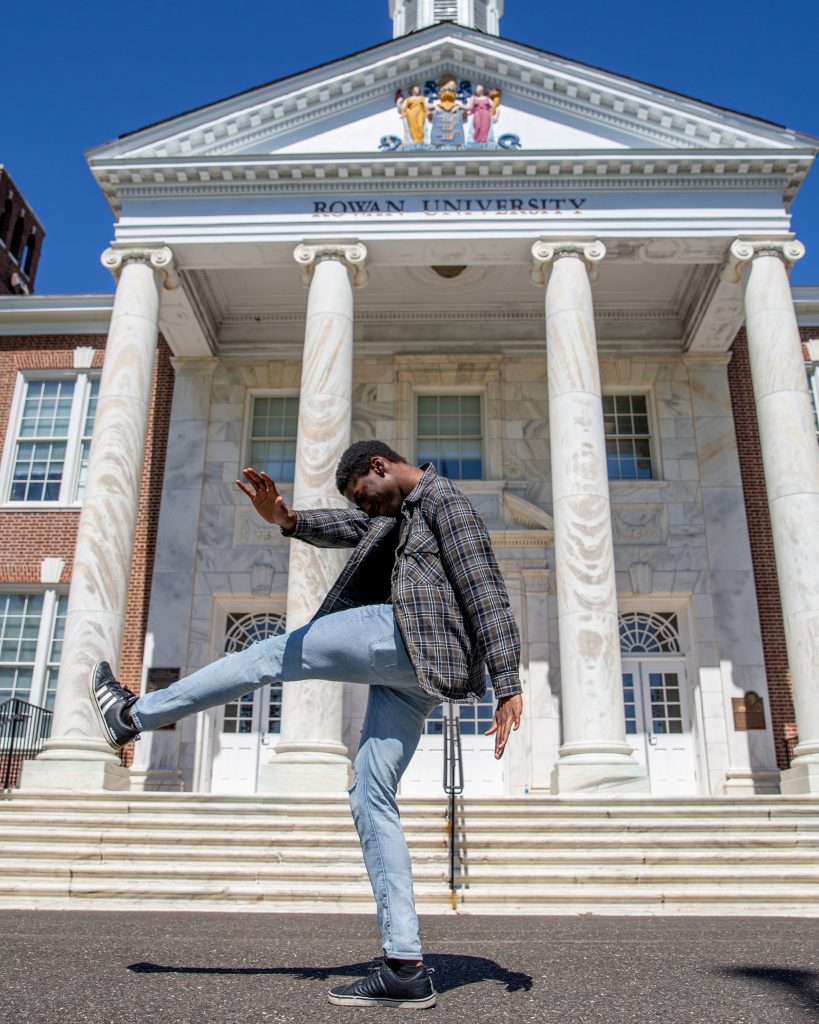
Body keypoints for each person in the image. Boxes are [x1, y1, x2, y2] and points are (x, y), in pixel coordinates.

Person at [89, 440, 524, 1010]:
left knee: (269, 655)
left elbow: (484, 588)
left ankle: (131, 714)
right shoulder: (394, 512)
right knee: (371, 797)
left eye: (363, 494)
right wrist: (287, 519)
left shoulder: (446, 502)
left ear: (380, 467)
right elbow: (345, 526)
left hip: (407, 637)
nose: (363, 508)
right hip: (417, 674)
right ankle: (405, 966)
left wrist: (508, 679)